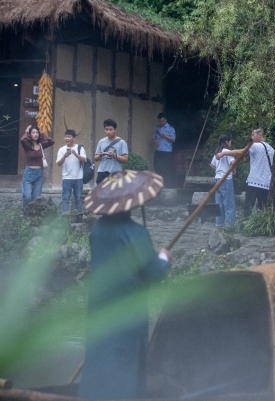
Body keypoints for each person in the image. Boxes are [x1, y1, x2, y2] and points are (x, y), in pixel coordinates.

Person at [79, 170, 172, 400]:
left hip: (99, 310)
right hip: (127, 315)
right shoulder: (136, 233)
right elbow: (153, 273)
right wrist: (164, 258)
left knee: (97, 363)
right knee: (125, 370)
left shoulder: (97, 230)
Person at [217, 128, 274, 217]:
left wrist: (223, 154)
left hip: (254, 181)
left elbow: (241, 152)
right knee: (263, 206)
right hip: (266, 182)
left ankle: (246, 223)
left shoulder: (256, 146)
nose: (251, 137)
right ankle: (264, 224)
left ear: (259, 135)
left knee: (249, 205)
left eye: (253, 134)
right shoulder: (271, 149)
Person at [20, 125, 55, 211]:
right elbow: (22, 139)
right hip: (29, 173)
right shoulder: (27, 145)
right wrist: (26, 132)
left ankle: (33, 217)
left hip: (39, 173)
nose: (35, 134)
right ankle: (24, 214)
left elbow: (51, 141)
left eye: (36, 133)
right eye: (33, 133)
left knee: (36, 199)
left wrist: (42, 133)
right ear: (30, 134)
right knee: (27, 196)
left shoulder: (41, 145)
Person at [56, 130, 87, 213]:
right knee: (65, 199)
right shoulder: (61, 149)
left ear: (74, 138)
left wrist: (76, 154)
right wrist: (64, 156)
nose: (67, 138)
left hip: (78, 178)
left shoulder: (79, 148)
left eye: (69, 136)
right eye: (66, 136)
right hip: (67, 178)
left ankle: (79, 218)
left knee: (78, 199)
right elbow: (58, 163)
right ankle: (65, 219)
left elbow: (84, 160)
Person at [210, 134, 236, 227]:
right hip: (226, 179)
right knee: (229, 204)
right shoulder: (227, 152)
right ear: (227, 142)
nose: (230, 143)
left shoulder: (218, 151)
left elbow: (212, 165)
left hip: (217, 179)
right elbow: (233, 162)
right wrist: (233, 168)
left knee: (219, 203)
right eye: (230, 142)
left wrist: (219, 169)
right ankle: (230, 226)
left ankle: (219, 224)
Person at [94, 119, 129, 185]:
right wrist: (100, 155)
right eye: (106, 129)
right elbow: (95, 158)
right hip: (102, 171)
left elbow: (125, 159)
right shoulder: (101, 142)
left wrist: (115, 155)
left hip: (115, 172)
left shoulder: (121, 142)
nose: (108, 132)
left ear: (115, 130)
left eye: (111, 129)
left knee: (114, 194)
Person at [152, 113, 176, 187]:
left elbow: (173, 139)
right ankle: (159, 183)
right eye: (160, 121)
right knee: (157, 166)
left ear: (165, 119)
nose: (161, 123)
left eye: (162, 121)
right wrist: (155, 141)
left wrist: (164, 135)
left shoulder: (170, 128)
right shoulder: (157, 128)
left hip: (167, 152)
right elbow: (154, 137)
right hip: (159, 151)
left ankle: (167, 185)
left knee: (166, 168)